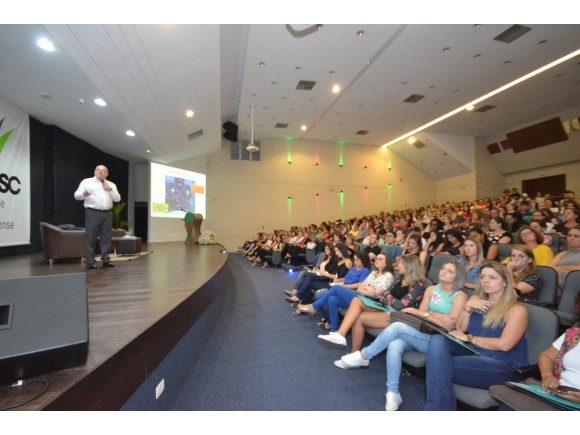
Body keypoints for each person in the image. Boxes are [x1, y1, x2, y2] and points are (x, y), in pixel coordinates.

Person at [336, 258, 467, 411]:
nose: (443, 272)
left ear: (457, 277)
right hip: (421, 331)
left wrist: (426, 314)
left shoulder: (460, 296)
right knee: (394, 344)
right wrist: (434, 316)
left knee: (397, 326)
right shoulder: (432, 289)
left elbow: (450, 326)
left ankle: (364, 356)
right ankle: (393, 392)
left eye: (449, 271)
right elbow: (420, 314)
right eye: (443, 268)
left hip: (437, 341)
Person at [424, 261, 529, 410]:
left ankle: (436, 410)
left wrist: (470, 338)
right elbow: (459, 329)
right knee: (438, 340)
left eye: (492, 277)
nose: (486, 281)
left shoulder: (517, 310)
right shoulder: (476, 300)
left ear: (505, 282)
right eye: (483, 277)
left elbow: (505, 345)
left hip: (503, 364)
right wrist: (468, 308)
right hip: (476, 352)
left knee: (439, 364)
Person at [317, 254, 426, 350]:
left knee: (357, 314)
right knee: (356, 300)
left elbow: (400, 305)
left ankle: (350, 347)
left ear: (409, 266)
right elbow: (383, 296)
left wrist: (388, 297)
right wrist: (388, 297)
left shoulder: (418, 285)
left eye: (401, 263)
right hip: (383, 306)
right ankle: (340, 336)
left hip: (396, 314)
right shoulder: (399, 280)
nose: (398, 266)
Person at [296, 253, 395, 330]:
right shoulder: (374, 272)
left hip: (368, 302)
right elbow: (361, 286)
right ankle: (334, 331)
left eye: (380, 259)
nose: (377, 260)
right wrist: (367, 288)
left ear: (387, 262)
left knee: (336, 288)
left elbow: (374, 293)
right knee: (332, 299)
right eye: (376, 258)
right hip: (359, 295)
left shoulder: (388, 276)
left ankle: (314, 307)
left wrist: (366, 288)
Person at [74, 165, 121, 269]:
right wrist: (83, 194)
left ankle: (106, 260)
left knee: (106, 238)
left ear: (107, 174)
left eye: (103, 171)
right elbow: (76, 195)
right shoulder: (87, 182)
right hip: (92, 213)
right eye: (98, 170)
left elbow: (117, 199)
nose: (100, 172)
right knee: (91, 238)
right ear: (94, 171)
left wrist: (109, 190)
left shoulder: (111, 184)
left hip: (107, 214)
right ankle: (90, 262)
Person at [548, 225, 580, 296]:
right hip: (559, 282)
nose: (571, 238)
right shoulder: (563, 253)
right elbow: (548, 269)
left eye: (576, 236)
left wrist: (558, 268)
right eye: (569, 235)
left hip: (576, 280)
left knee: (554, 272)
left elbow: (578, 269)